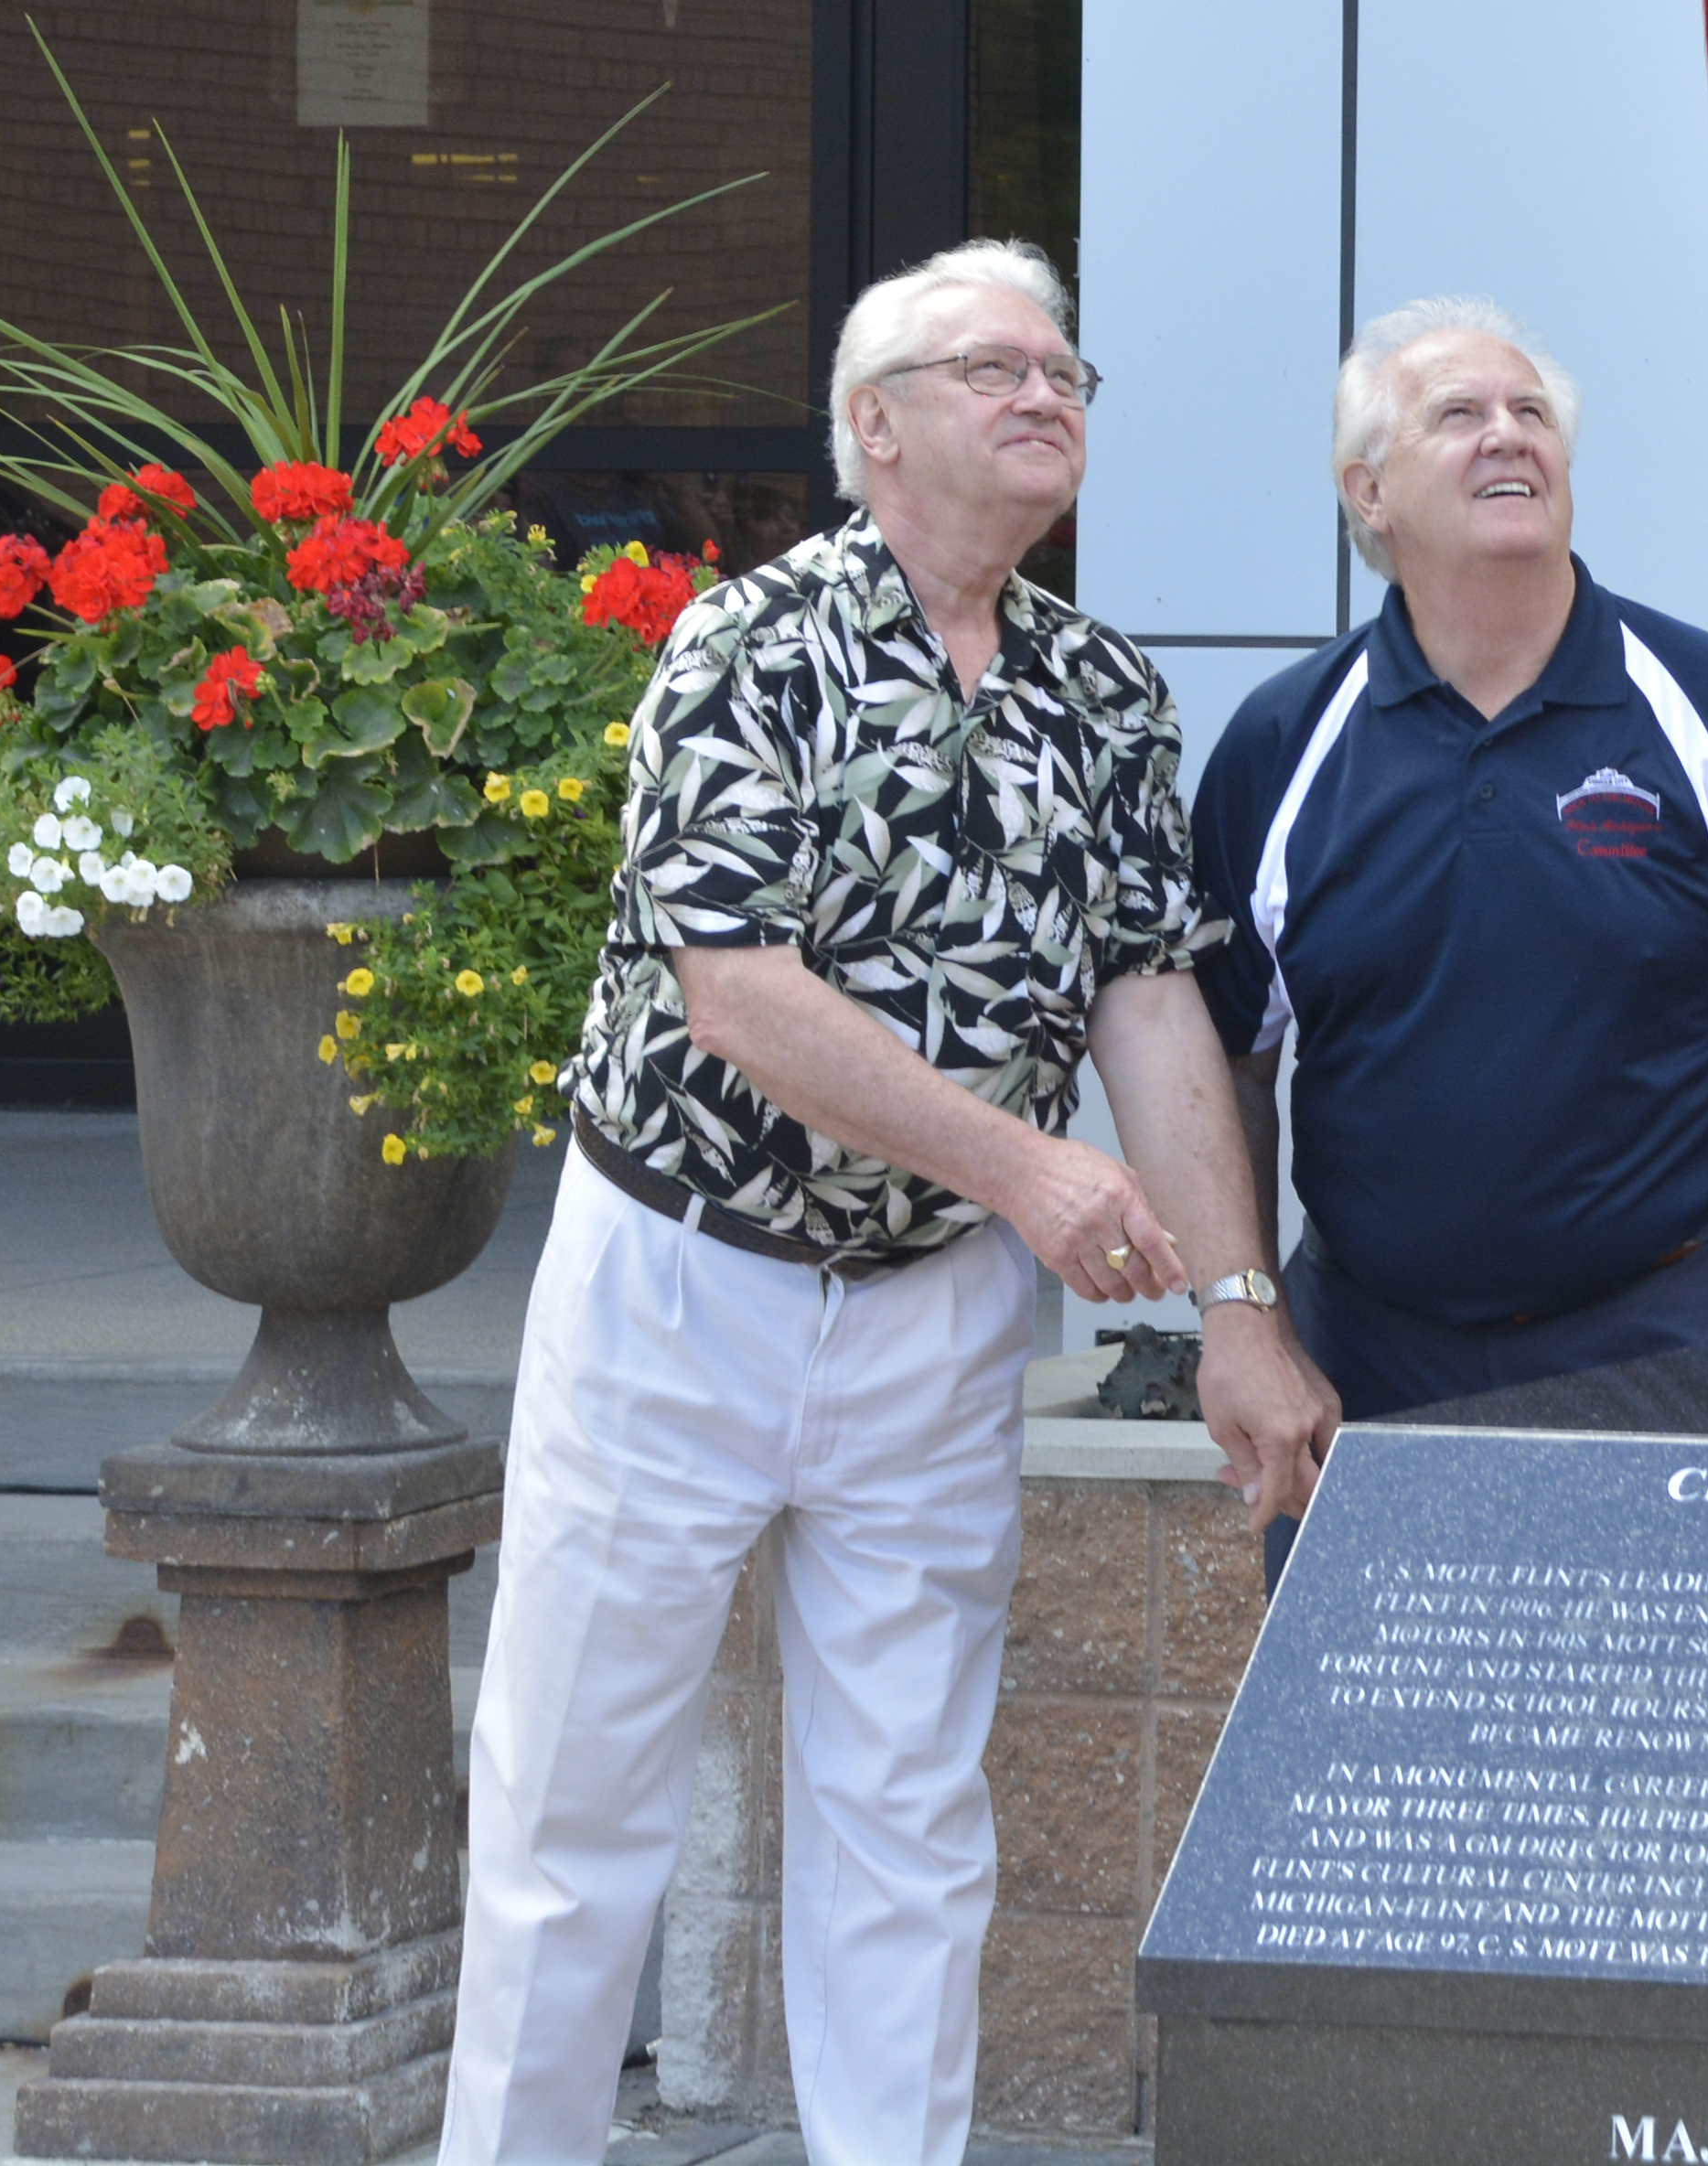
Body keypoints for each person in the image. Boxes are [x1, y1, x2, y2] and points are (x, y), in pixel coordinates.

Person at [441, 241, 1319, 2166]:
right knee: (573, 1807)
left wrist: (1239, 1311)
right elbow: (733, 984)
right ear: (875, 424)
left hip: (928, 1307)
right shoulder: (749, 639)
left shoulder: (1102, 688)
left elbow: (1152, 992)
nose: (1045, 394)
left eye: (1069, 369)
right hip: (681, 1271)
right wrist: (1025, 1167)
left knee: (908, 1818)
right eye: (993, 365)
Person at [1184, 298, 1708, 1500]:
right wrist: (1246, 1319)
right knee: (1372, 1693)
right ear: (1368, 492)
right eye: (1458, 415)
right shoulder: (1282, 742)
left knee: (1677, 1693)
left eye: (1532, 415)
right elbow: (1231, 1074)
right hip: (1370, 1354)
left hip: (1680, 1338)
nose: (1508, 436)